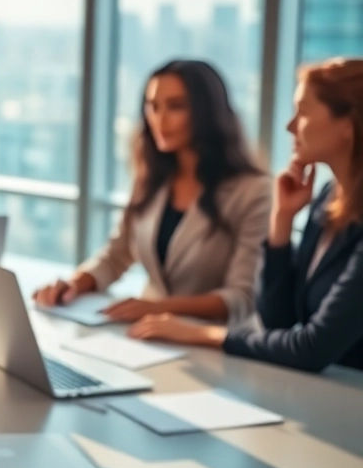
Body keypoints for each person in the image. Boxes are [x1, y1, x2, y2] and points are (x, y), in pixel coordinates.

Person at [131, 58, 363, 372]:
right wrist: (282, 222)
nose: (290, 126)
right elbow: (278, 321)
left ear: (348, 125)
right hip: (325, 391)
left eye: (303, 112)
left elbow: (312, 347)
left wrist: (206, 334)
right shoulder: (328, 199)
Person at [35, 60, 269, 323]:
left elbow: (241, 297)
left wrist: (157, 308)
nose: (159, 119)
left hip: (215, 345)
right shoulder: (151, 178)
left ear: (207, 113)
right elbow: (116, 256)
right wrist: (74, 284)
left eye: (176, 106)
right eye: (152, 106)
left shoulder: (254, 192)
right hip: (150, 336)